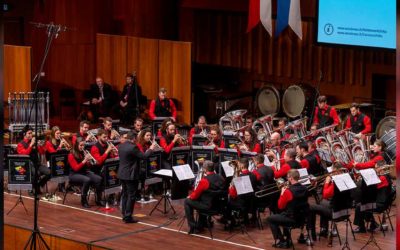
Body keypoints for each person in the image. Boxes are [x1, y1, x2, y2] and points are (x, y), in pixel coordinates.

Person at [118, 131, 156, 223]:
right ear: (134, 138)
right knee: (131, 196)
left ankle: (124, 213)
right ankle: (128, 217)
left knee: (125, 194)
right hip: (130, 175)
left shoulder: (121, 146)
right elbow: (144, 156)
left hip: (122, 173)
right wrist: (151, 149)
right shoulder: (133, 147)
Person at [266, 169, 309, 248]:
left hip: (292, 219)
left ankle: (281, 241)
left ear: (291, 178)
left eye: (287, 177)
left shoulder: (288, 191)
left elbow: (280, 206)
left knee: (270, 219)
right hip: (303, 218)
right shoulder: (305, 188)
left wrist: (282, 193)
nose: (287, 179)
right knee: (283, 214)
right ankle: (288, 238)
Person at [184, 160, 225, 234]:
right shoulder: (221, 178)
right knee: (203, 199)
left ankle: (193, 225)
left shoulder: (204, 181)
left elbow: (194, 196)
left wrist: (189, 196)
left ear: (205, 169)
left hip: (208, 207)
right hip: (218, 207)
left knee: (187, 201)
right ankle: (202, 223)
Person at [68, 137, 103, 208]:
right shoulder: (71, 155)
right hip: (74, 174)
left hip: (83, 172)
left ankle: (98, 199)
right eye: (81, 145)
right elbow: (76, 168)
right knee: (87, 180)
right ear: (76, 145)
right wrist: (85, 160)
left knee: (98, 179)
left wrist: (90, 161)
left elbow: (88, 166)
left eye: (83, 145)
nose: (82, 147)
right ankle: (84, 201)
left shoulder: (83, 152)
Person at [16, 125, 50, 194]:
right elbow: (24, 155)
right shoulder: (20, 144)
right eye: (29, 133)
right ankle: (32, 188)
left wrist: (40, 146)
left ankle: (38, 185)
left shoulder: (34, 142)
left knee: (49, 172)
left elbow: (42, 152)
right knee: (35, 173)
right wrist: (31, 145)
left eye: (31, 133)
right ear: (24, 134)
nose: (31, 135)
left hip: (36, 164)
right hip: (26, 166)